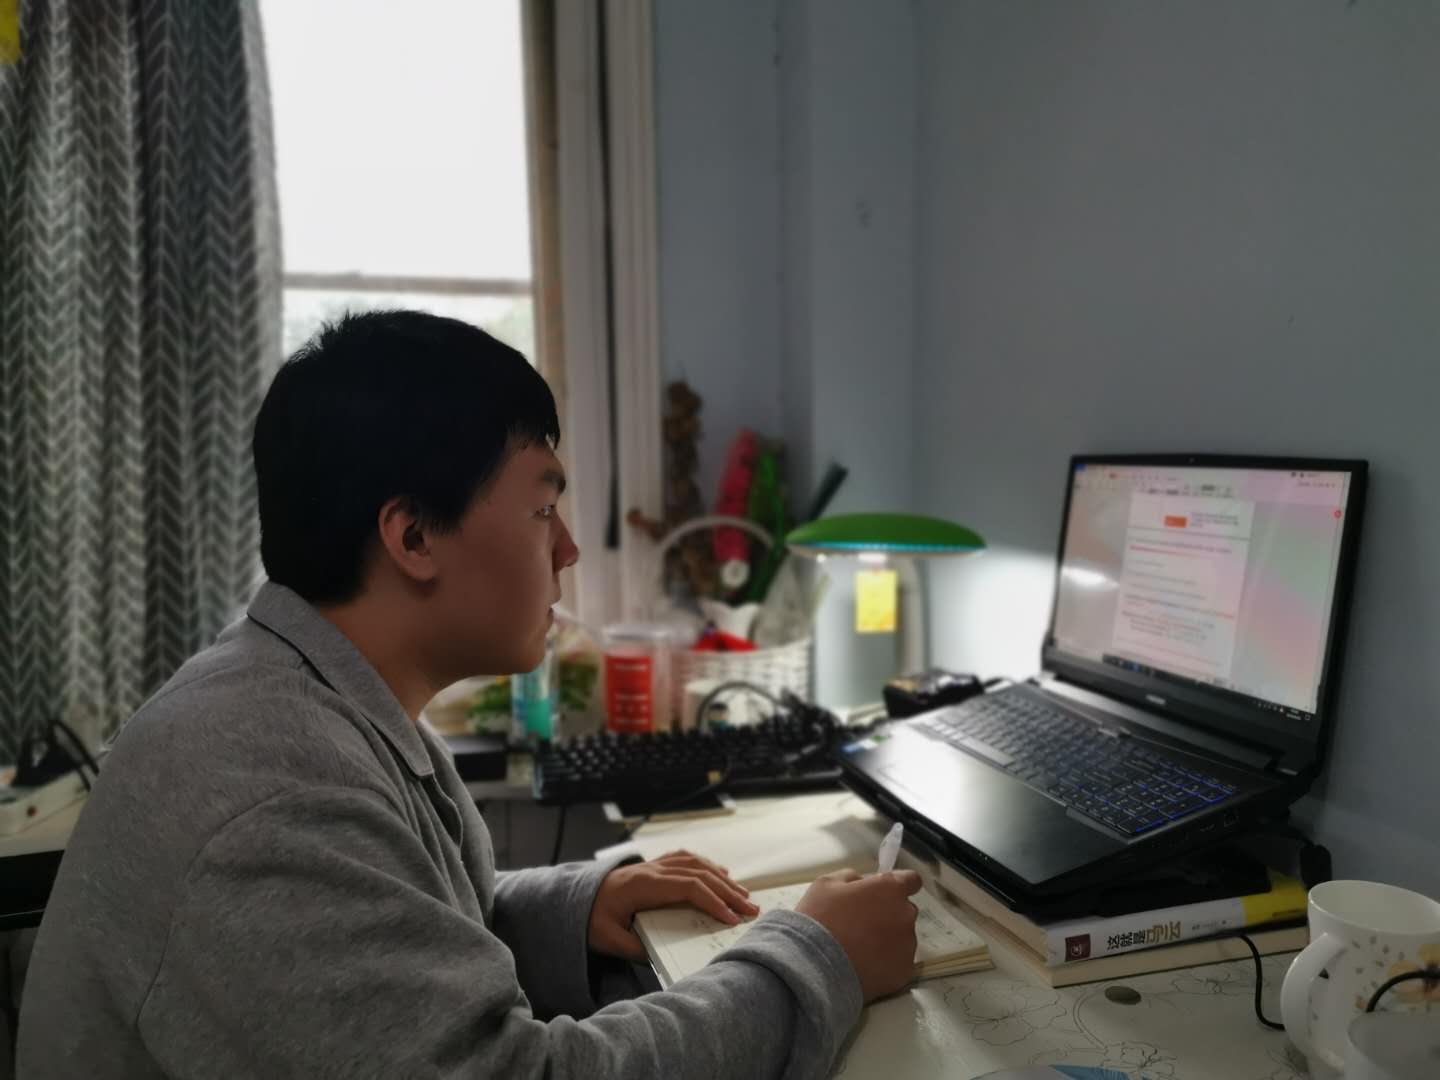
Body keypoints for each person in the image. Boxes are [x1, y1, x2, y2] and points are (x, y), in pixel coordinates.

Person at [16, 311, 923, 1078]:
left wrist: (579, 908)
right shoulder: (270, 790)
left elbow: (403, 931)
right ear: (414, 537)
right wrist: (817, 960)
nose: (568, 549)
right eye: (542, 508)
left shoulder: (312, 699)